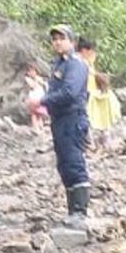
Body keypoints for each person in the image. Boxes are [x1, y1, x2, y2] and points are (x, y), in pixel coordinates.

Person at [41, 25, 91, 225]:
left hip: (73, 118)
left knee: (73, 162)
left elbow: (70, 92)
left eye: (62, 38)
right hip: (59, 120)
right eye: (54, 39)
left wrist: (43, 101)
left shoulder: (76, 64)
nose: (57, 42)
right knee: (64, 165)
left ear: (71, 41)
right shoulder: (58, 65)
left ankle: (80, 212)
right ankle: (72, 211)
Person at [78, 36, 121, 150]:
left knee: (105, 110)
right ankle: (89, 141)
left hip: (93, 92)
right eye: (92, 51)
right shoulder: (79, 62)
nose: (94, 54)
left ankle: (104, 137)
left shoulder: (89, 61)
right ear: (85, 51)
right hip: (85, 93)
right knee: (87, 117)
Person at [21, 62, 48, 131]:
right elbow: (32, 86)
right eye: (30, 71)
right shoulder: (27, 79)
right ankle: (35, 128)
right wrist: (36, 80)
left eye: (33, 71)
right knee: (34, 114)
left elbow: (45, 85)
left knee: (40, 114)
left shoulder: (39, 78)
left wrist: (43, 82)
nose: (32, 73)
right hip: (33, 98)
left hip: (40, 97)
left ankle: (41, 127)